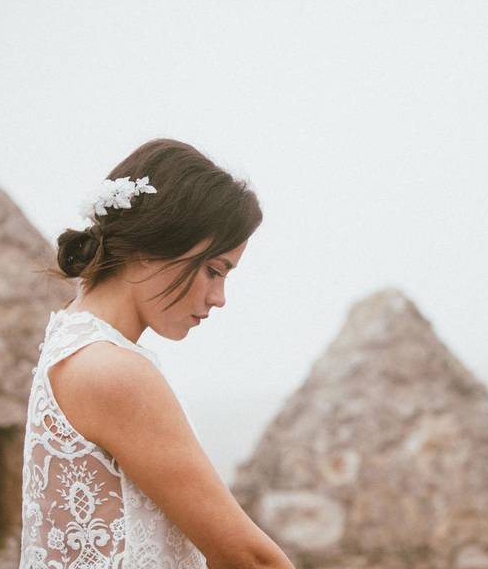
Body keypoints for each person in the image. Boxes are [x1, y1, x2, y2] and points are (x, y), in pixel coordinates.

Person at [19, 138, 294, 569]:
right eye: (213, 270)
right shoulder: (112, 371)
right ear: (149, 249)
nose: (219, 297)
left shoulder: (71, 342)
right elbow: (249, 558)